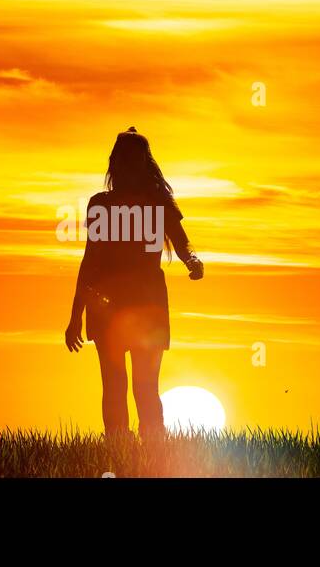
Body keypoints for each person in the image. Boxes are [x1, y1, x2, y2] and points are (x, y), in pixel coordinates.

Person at [64, 127, 203, 439]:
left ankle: (152, 449)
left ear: (144, 164)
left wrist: (192, 261)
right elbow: (90, 261)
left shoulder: (159, 203)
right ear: (116, 164)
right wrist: (75, 316)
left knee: (145, 384)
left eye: (136, 162)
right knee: (114, 384)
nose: (130, 169)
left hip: (148, 305)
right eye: (125, 162)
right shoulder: (100, 204)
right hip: (106, 305)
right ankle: (117, 449)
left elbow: (182, 243)